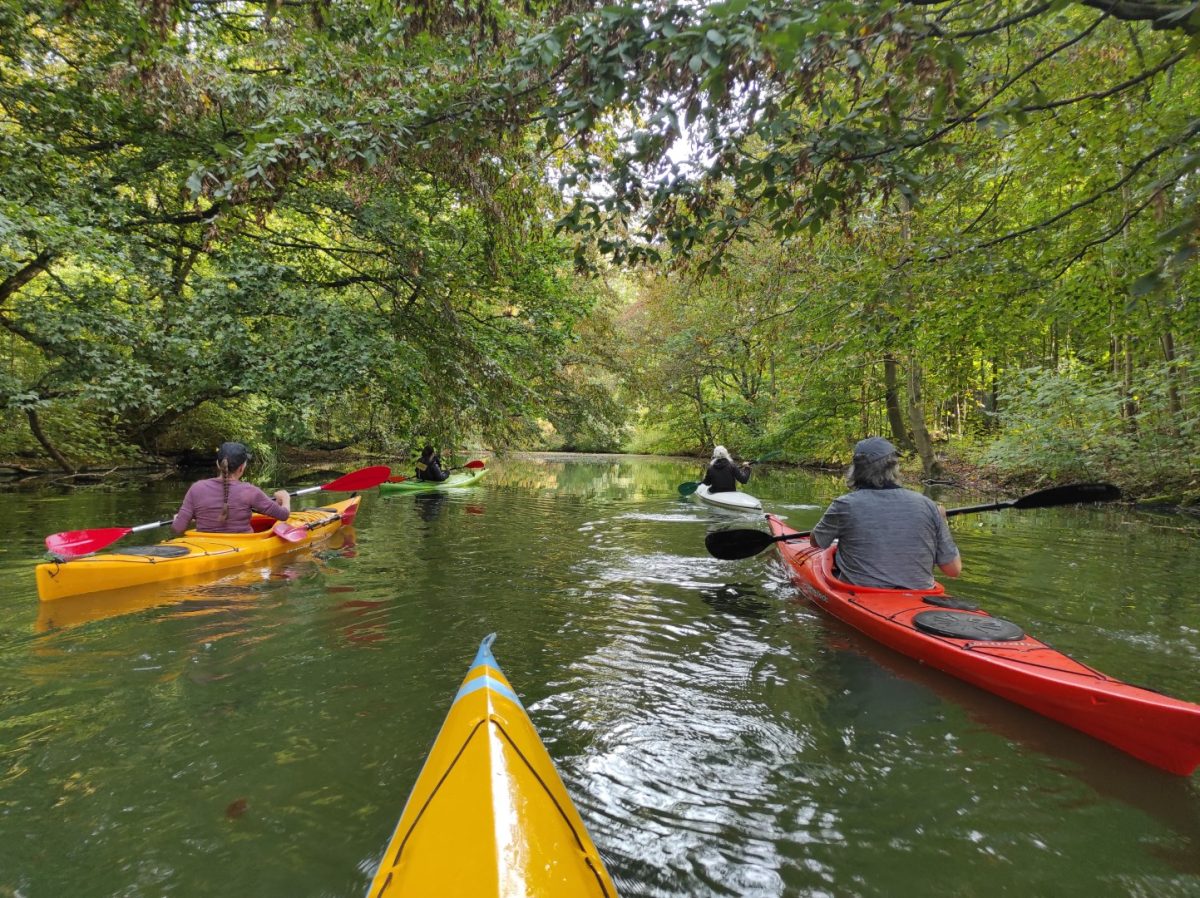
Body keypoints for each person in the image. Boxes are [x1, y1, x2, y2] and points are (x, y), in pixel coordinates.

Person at [809, 436, 961, 590]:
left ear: (855, 470)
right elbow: (953, 570)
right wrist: (941, 520)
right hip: (919, 597)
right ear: (894, 467)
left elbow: (817, 542)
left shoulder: (844, 505)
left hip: (862, 595)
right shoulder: (928, 505)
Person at [171, 442, 291, 535]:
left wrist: (178, 518)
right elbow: (283, 515)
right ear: (242, 468)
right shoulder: (250, 491)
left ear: (218, 464)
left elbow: (178, 528)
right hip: (242, 546)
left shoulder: (196, 488)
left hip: (206, 544)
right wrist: (285, 499)